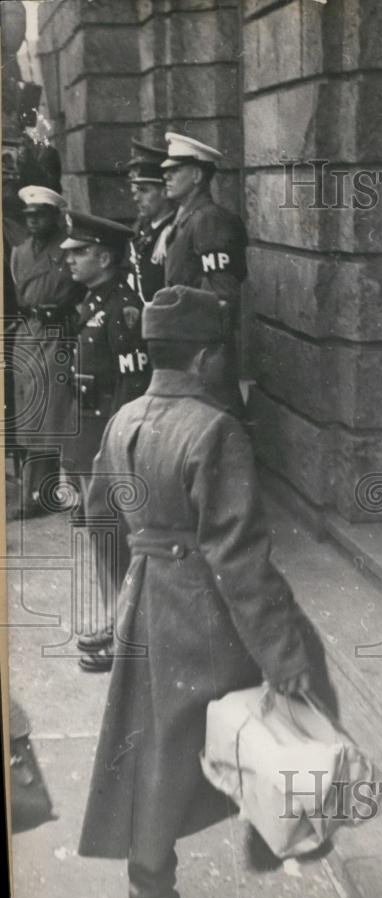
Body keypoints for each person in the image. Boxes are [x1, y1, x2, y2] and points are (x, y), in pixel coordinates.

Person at [77, 285, 311, 898]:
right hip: (199, 612)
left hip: (145, 599)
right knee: (206, 752)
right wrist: (285, 655)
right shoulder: (216, 429)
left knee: (150, 753)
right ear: (208, 356)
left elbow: (98, 515)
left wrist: (127, 582)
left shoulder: (122, 419)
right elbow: (240, 560)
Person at [60, 210, 151, 672]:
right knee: (101, 538)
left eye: (80, 252)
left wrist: (118, 452)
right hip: (89, 438)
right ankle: (117, 620)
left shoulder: (123, 309)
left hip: (109, 446)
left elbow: (132, 390)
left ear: (107, 256)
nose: (70, 260)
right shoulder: (93, 300)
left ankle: (128, 634)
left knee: (116, 538)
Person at [8, 185, 83, 518]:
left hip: (59, 333)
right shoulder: (19, 252)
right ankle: (36, 492)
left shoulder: (68, 249)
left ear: (56, 216)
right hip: (28, 333)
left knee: (55, 412)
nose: (34, 222)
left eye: (40, 215)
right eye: (29, 216)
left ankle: (52, 492)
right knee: (28, 410)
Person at [160, 131, 248, 414]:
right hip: (183, 350)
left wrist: (200, 355)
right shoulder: (186, 219)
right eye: (167, 171)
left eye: (175, 170)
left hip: (201, 354)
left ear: (197, 175)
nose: (166, 177)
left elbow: (223, 295)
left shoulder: (208, 219)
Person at [126, 140, 176, 303]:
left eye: (144, 190)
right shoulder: (142, 226)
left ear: (164, 191)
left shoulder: (175, 229)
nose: (135, 198)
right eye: (135, 190)